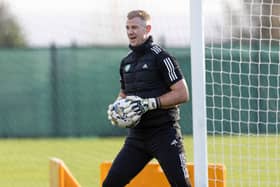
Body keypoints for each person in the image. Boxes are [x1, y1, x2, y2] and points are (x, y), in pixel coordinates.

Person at [103, 10, 192, 187]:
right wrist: (116, 108)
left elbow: (183, 94)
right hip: (137, 138)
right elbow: (124, 94)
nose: (130, 32)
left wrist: (151, 103)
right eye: (127, 27)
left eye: (135, 27)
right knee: (110, 184)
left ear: (148, 28)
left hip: (164, 135)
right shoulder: (126, 62)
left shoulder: (162, 57)